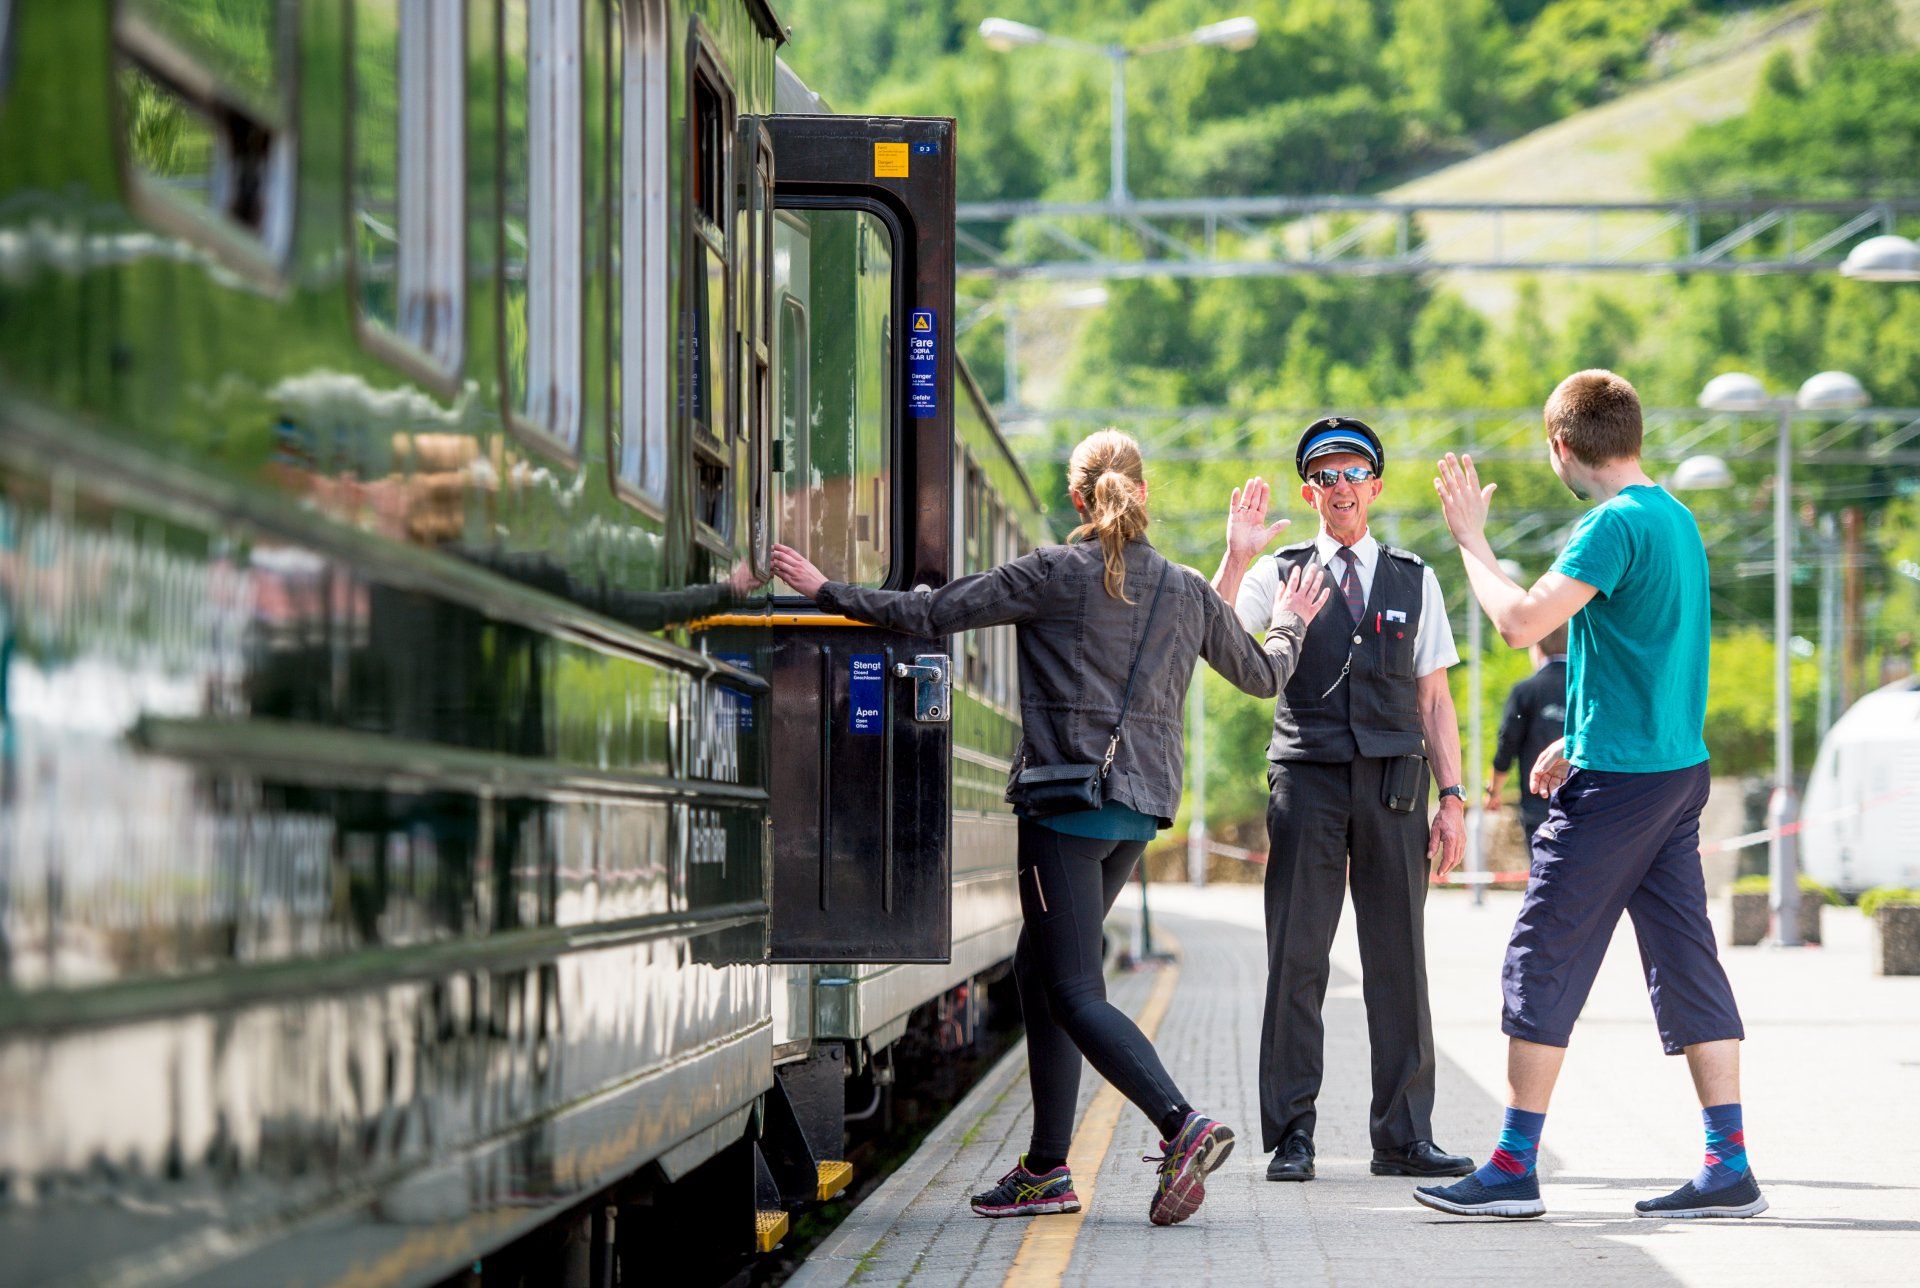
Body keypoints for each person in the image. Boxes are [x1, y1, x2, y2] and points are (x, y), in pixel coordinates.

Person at [770, 430, 1331, 1228]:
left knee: (1070, 986)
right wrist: (1286, 616)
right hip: (1134, 814)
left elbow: (934, 612)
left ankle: (1181, 1123)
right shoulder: (1180, 587)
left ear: (1079, 497)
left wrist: (828, 590)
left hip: (1065, 806)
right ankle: (1046, 1168)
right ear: (1143, 492)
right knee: (1039, 972)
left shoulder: (1051, 572)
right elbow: (1263, 672)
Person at [1419, 369, 1761, 1220]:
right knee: (1686, 958)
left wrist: (1470, 540)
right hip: (1673, 771)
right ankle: (1729, 1167)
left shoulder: (1609, 525)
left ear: (1563, 446)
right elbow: (1652, 652)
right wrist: (1581, 732)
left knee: (1542, 955)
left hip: (1620, 790)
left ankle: (1510, 1167)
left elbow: (1521, 623)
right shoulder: (1676, 518)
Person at [1223, 416, 1473, 1185]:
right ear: (1309, 490)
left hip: (1397, 784)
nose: (1339, 488)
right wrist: (1236, 559)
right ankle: (1293, 1134)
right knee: (1298, 958)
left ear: (1375, 484)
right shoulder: (1283, 571)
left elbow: (1435, 696)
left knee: (1399, 961)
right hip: (1308, 779)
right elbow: (1218, 641)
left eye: (1352, 472)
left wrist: (1455, 796)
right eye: (1324, 476)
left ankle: (1403, 1136)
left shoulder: (1414, 576)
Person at [1486, 624, 1570, 843]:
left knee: (1543, 872)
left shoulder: (1526, 691)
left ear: (1537, 648)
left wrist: (1494, 791)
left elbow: (1507, 742)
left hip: (1538, 802)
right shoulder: (1587, 689)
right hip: (1584, 800)